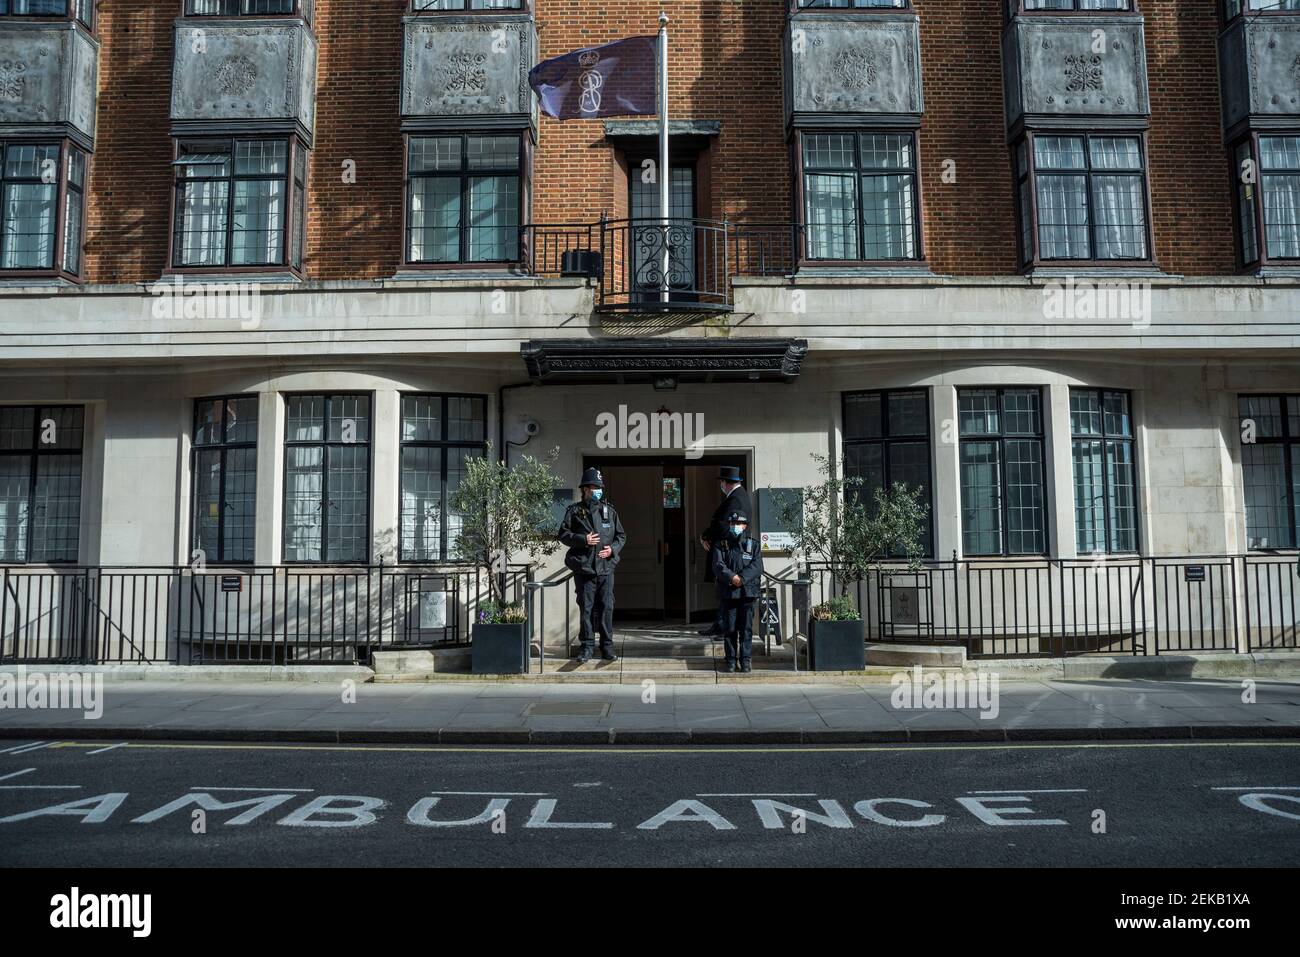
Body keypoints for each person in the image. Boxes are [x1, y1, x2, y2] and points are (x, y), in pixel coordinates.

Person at [558, 467, 626, 663]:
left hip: (605, 569)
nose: (598, 490)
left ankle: (607, 647)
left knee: (606, 608)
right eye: (595, 487)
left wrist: (612, 550)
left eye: (600, 487)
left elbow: (621, 536)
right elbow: (563, 535)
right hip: (585, 569)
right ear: (585, 489)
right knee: (586, 609)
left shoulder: (609, 511)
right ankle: (587, 647)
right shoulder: (575, 511)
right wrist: (583, 539)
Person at [699, 465, 753, 637]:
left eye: (722, 482)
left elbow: (724, 526)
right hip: (728, 550)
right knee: (723, 591)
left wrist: (706, 537)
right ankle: (720, 624)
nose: (721, 485)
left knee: (727, 591)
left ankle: (724, 627)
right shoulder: (737, 496)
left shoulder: (736, 499)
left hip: (729, 553)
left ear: (726, 483)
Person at [710, 509, 763, 673]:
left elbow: (757, 566)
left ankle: (745, 661)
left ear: (745, 525)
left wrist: (742, 579)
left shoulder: (753, 545)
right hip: (729, 593)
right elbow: (718, 566)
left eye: (738, 523)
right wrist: (733, 578)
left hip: (748, 593)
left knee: (746, 629)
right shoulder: (721, 545)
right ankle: (731, 661)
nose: (735, 526)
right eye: (732, 523)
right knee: (730, 628)